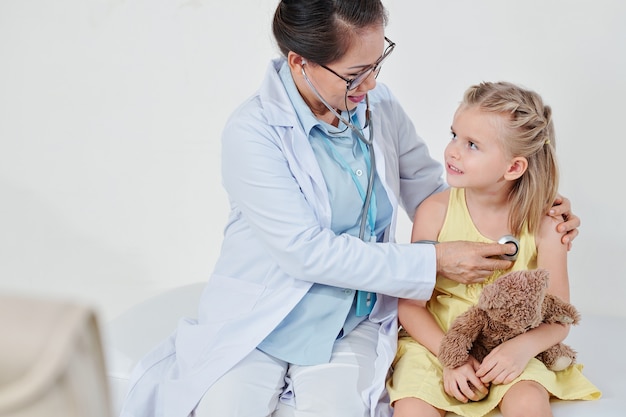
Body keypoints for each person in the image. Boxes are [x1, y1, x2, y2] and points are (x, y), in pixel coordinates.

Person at [119, 2, 580, 417]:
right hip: (265, 319)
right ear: (299, 62)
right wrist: (433, 260)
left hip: (353, 318)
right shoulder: (252, 132)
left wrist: (523, 201)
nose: (373, 84)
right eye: (355, 73)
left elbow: (430, 191)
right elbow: (306, 252)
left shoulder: (377, 104)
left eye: (378, 62)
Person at [387, 81, 601, 417]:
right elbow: (410, 305)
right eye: (454, 135)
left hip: (509, 347)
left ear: (514, 167)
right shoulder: (434, 212)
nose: (453, 151)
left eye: (472, 144)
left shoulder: (546, 225)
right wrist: (451, 358)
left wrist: (520, 349)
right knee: (413, 409)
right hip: (437, 344)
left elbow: (559, 315)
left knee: (529, 402)